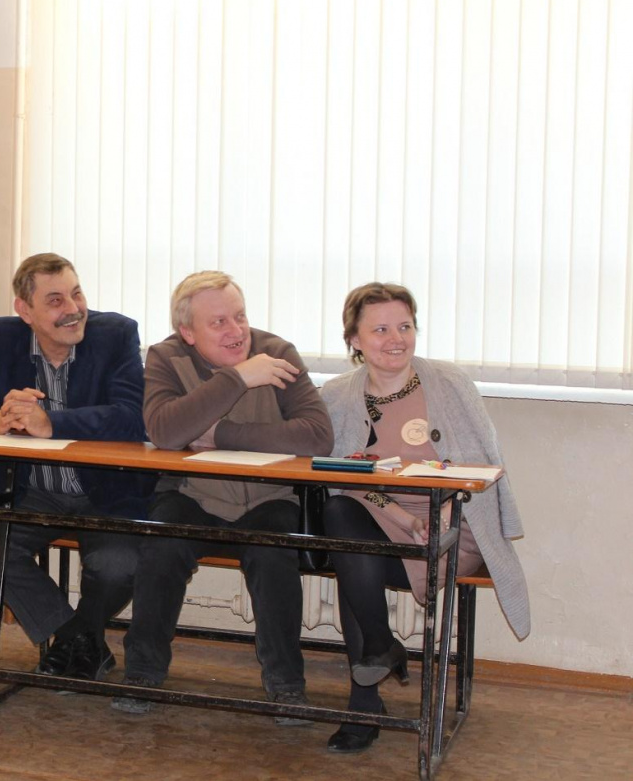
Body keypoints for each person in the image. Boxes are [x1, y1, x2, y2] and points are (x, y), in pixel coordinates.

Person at [0, 253, 151, 683]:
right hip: (30, 491)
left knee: (119, 563)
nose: (74, 309)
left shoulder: (116, 335)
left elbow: (134, 418)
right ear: (24, 311)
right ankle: (79, 640)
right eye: (56, 300)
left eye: (77, 294)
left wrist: (52, 424)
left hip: (106, 494)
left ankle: (75, 641)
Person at [319, 282, 530, 753]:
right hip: (383, 516)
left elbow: (483, 465)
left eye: (405, 326)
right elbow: (342, 479)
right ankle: (378, 652)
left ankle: (365, 697)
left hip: (455, 522)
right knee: (342, 520)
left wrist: (440, 514)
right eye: (380, 330)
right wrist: (400, 516)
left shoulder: (449, 383)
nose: (396, 339)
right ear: (354, 339)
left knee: (356, 563)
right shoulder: (336, 395)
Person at [116, 271, 333, 719]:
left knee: (273, 554)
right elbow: (166, 431)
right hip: (194, 494)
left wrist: (223, 434)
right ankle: (142, 673)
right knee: (161, 545)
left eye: (240, 316)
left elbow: (317, 437)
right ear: (187, 332)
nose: (236, 331)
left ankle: (286, 685)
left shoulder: (278, 354)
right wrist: (237, 377)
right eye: (218, 323)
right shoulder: (166, 357)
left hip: (270, 497)